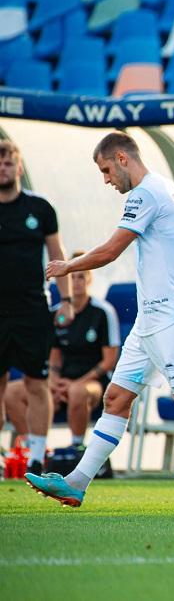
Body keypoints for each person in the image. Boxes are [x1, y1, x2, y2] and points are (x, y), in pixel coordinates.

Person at [26, 131, 174, 509]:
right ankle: (75, 483)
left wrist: (67, 266)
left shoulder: (145, 193)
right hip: (150, 318)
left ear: (122, 158)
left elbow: (111, 250)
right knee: (116, 397)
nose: (106, 180)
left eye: (106, 170)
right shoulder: (166, 188)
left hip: (170, 315)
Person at [0, 139, 75, 475]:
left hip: (32, 310)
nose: (3, 169)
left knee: (36, 382)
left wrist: (66, 300)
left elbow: (58, 256)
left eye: (8, 163)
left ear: (19, 167)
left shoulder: (40, 209)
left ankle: (37, 456)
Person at [5, 252, 120, 449]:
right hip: (62, 382)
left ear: (89, 279)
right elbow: (54, 357)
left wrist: (76, 383)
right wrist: (54, 382)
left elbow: (109, 361)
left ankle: (76, 449)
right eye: (72, 277)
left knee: (77, 392)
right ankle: (36, 450)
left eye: (81, 276)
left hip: (93, 383)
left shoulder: (103, 312)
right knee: (11, 392)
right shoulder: (59, 313)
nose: (76, 282)